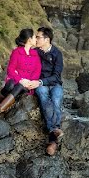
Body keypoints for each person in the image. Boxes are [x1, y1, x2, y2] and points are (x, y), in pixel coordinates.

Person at [0, 28, 41, 125]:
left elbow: (37, 72)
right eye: (34, 37)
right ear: (29, 39)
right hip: (17, 80)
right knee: (10, 85)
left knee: (19, 86)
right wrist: (20, 79)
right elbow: (10, 69)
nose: (36, 39)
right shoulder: (17, 52)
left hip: (28, 85)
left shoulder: (35, 54)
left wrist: (29, 82)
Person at [31, 26, 65, 155]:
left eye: (38, 37)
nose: (36, 39)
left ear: (47, 39)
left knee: (56, 99)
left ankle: (52, 131)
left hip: (54, 83)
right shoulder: (36, 52)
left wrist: (41, 81)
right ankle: (54, 131)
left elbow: (57, 76)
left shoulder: (57, 53)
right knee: (44, 96)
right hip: (40, 84)